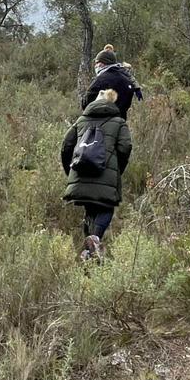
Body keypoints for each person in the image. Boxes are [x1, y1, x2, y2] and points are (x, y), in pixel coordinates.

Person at [61, 88, 132, 261]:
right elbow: (125, 147)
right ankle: (94, 241)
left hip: (80, 173)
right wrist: (116, 169)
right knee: (106, 207)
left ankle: (89, 254)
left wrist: (70, 171)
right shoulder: (118, 122)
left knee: (90, 208)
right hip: (105, 175)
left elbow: (66, 147)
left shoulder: (81, 120)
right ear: (112, 102)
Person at [81, 46, 140, 119]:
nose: (95, 66)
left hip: (100, 123)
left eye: (97, 62)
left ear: (102, 63)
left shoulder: (100, 80)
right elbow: (126, 104)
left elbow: (86, 102)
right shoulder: (126, 80)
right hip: (120, 123)